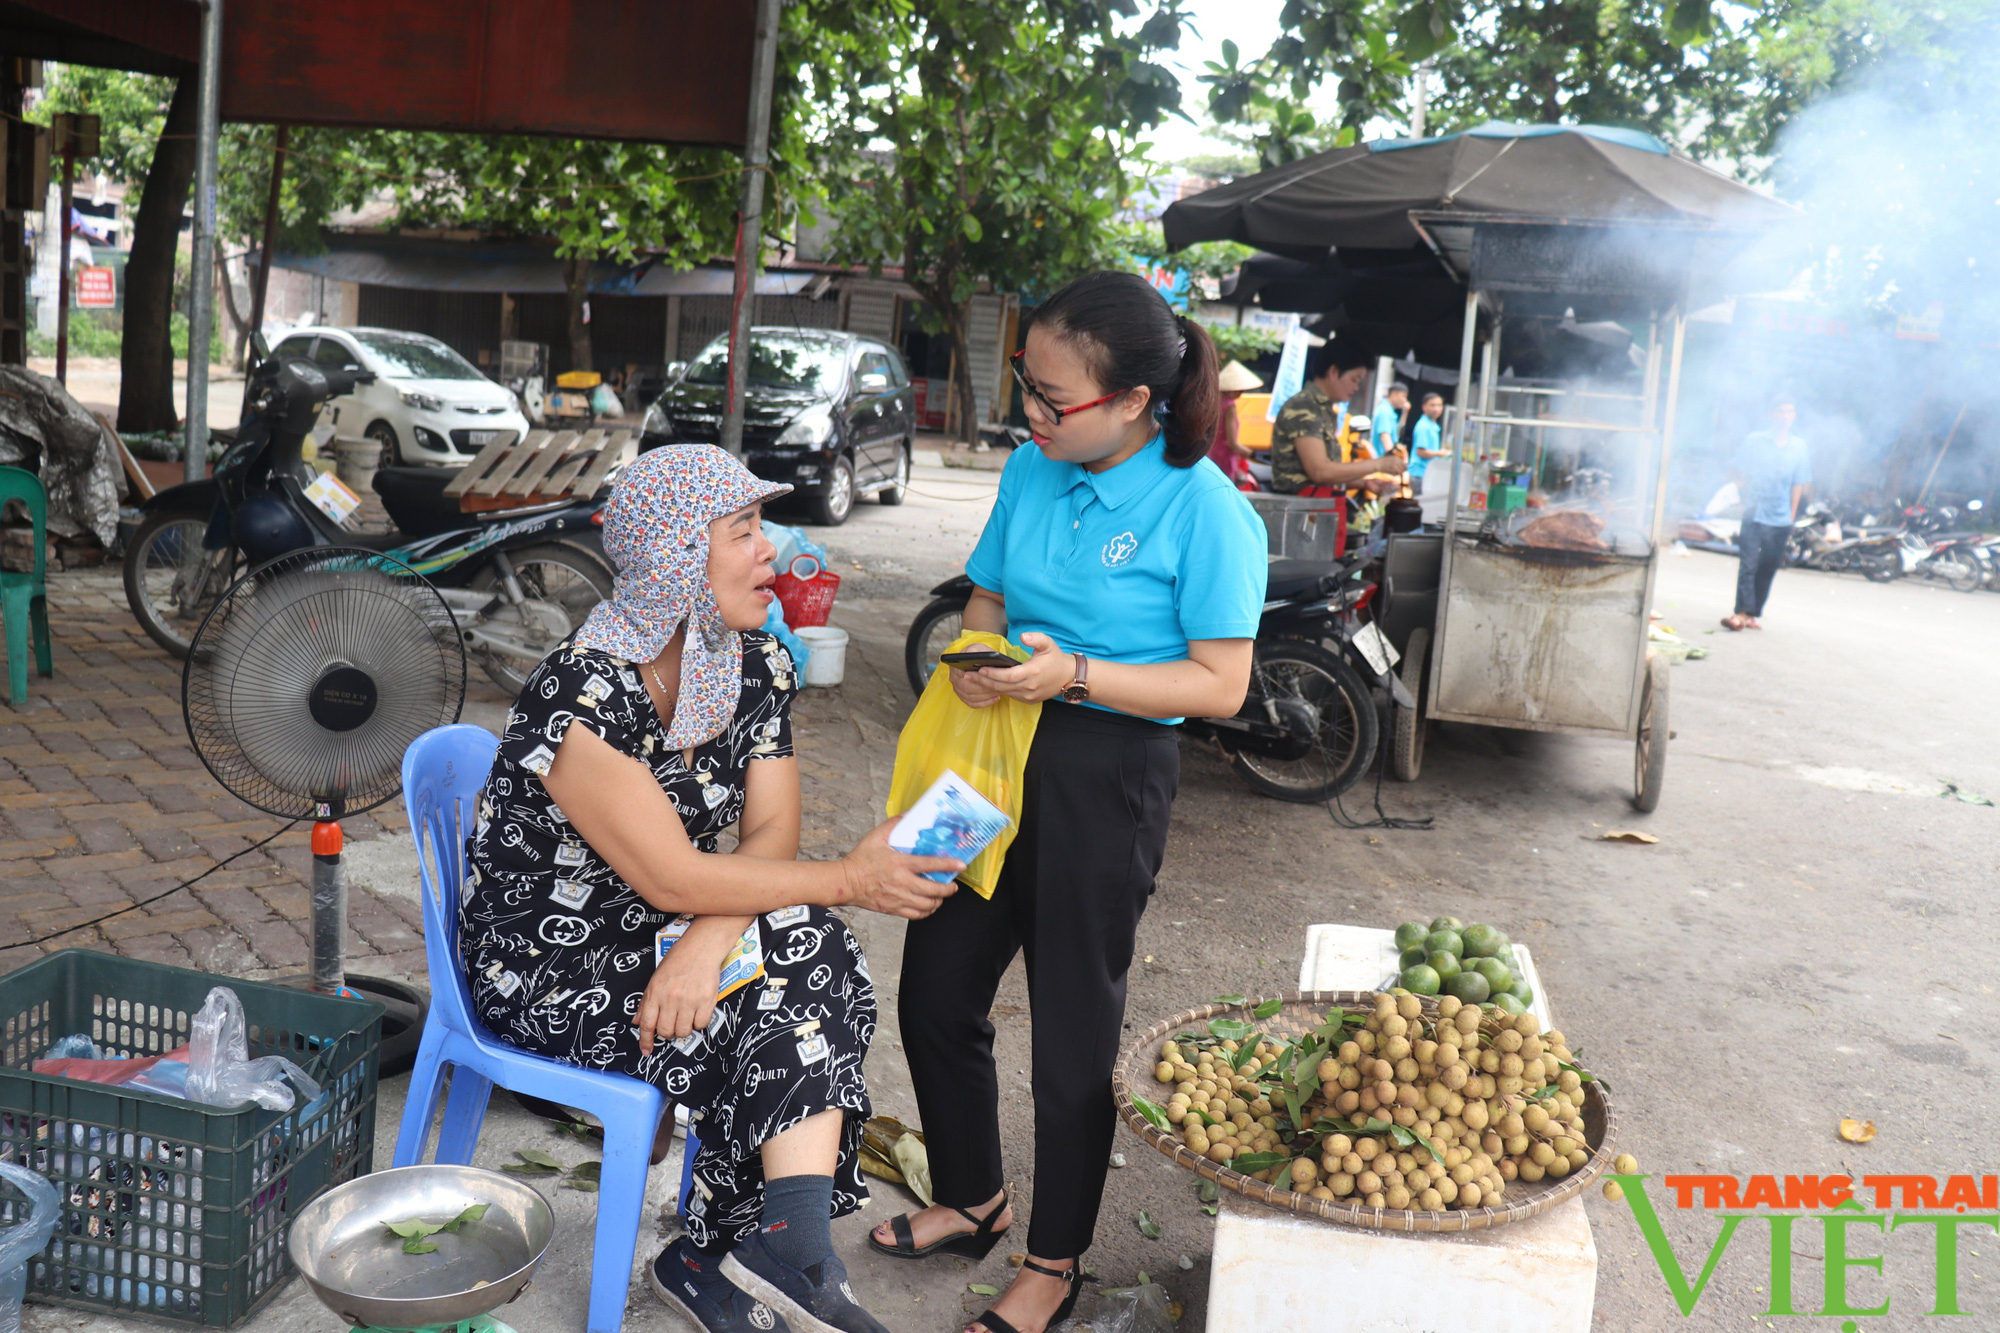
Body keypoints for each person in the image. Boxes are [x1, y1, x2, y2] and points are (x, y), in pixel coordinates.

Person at [460, 443, 963, 1333]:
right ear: (676, 557)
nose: (772, 551)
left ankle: (772, 1255)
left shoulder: (753, 664)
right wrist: (853, 877)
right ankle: (751, 1255)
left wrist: (704, 940)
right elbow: (670, 872)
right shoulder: (579, 694)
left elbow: (771, 832)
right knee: (795, 972)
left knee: (807, 947)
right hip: (548, 963)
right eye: (744, 530)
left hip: (666, 928)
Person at [870, 271, 1266, 1333]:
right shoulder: (1031, 469)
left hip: (1107, 770)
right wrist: (972, 653)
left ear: (1133, 400)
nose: (1030, 415)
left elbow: (1219, 684)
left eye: (1054, 399)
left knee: (1068, 1032)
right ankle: (971, 1194)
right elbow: (988, 596)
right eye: (1025, 388)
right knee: (933, 987)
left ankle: (1053, 1259)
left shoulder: (1205, 510)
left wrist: (1076, 675)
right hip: (986, 741)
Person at [1269, 344, 1407, 497]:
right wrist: (1378, 464)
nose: (1356, 388)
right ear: (1333, 372)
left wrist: (1364, 483)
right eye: (1354, 380)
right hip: (1299, 510)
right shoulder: (1304, 407)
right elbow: (1319, 472)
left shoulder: (1324, 408)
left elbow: (1324, 476)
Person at [1723, 392, 1811, 630]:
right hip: (1754, 512)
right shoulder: (1755, 441)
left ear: (1794, 416)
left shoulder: (1799, 447)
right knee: (1748, 563)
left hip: (1780, 517)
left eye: (1789, 412)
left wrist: (1791, 516)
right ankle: (1740, 613)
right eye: (1781, 411)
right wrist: (1744, 489)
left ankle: (1752, 614)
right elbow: (1736, 468)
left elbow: (1798, 483)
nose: (1785, 416)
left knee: (1767, 566)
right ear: (1771, 414)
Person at [1206, 358, 1265, 486]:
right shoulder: (1229, 406)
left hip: (1210, 455)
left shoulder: (1213, 402)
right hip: (1224, 459)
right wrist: (1252, 454)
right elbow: (1233, 443)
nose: (1241, 392)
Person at [1411, 391, 1447, 490]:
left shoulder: (1433, 425)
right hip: (1419, 474)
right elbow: (1421, 452)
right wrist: (1439, 453)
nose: (1436, 409)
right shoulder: (1423, 426)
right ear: (1424, 407)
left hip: (1428, 473)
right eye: (1432, 405)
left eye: (1439, 405)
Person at [1372, 382, 1410, 459]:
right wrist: (1393, 457)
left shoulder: (1390, 411)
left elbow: (1398, 434)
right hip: (1382, 461)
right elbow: (1385, 436)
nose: (1405, 400)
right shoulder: (1385, 411)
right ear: (1394, 394)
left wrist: (1405, 412)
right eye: (1403, 396)